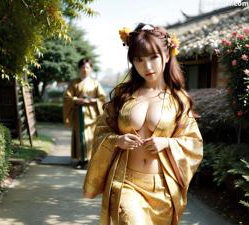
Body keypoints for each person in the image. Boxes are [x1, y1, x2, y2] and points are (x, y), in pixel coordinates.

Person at [83, 23, 203, 225]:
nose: (146, 66)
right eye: (139, 59)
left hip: (163, 188)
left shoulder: (179, 100)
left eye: (153, 57)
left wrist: (168, 143)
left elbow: (194, 144)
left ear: (167, 56)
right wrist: (116, 140)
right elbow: (101, 131)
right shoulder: (123, 96)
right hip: (126, 183)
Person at [63, 58, 106, 169]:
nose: (85, 70)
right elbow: (67, 97)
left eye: (87, 67)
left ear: (91, 69)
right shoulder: (74, 83)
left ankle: (89, 160)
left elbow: (102, 98)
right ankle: (80, 159)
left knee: (90, 137)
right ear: (79, 68)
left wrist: (92, 100)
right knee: (79, 136)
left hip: (91, 115)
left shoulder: (95, 83)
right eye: (83, 67)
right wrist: (76, 100)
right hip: (78, 114)